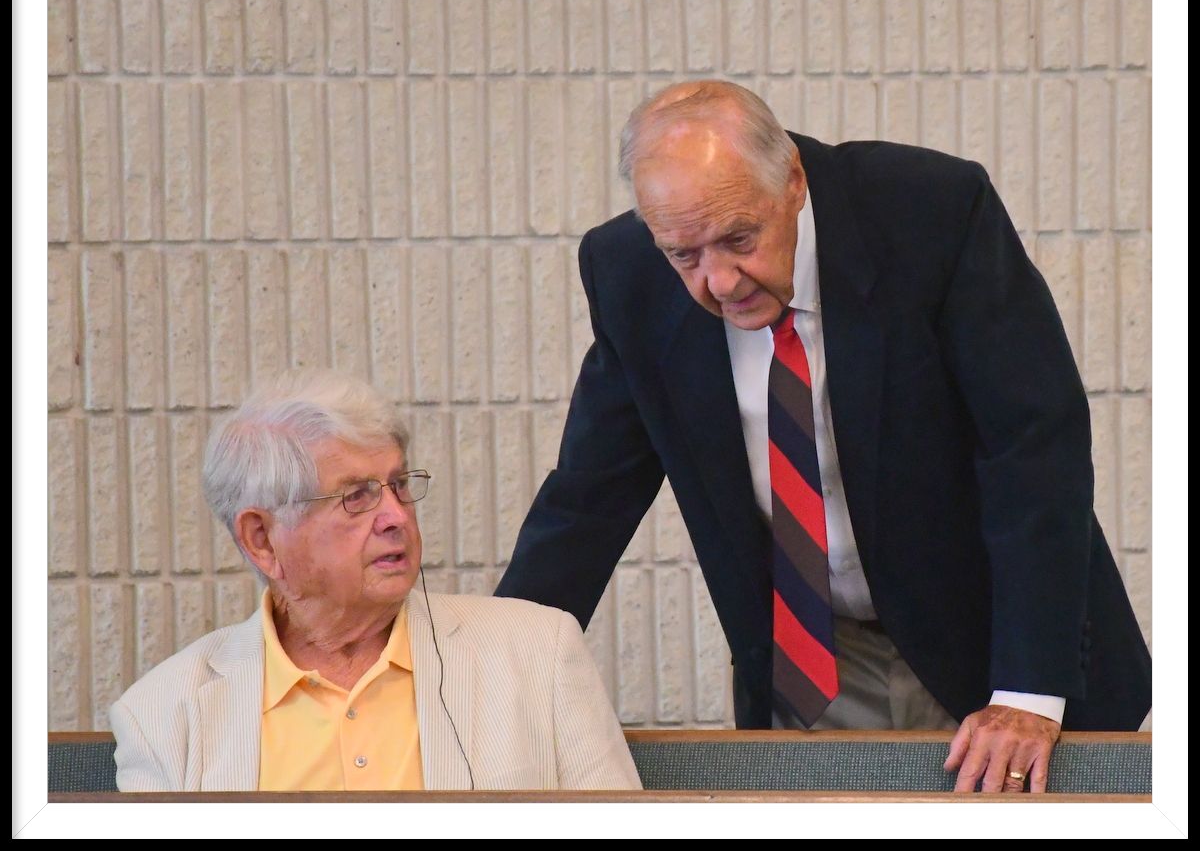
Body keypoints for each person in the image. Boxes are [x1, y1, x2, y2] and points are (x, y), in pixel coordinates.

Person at [496, 80, 1151, 793]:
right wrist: (492, 679)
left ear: (793, 181)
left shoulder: (927, 211)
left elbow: (1032, 447)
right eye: (684, 255)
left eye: (739, 240)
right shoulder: (628, 272)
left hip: (989, 631)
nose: (720, 281)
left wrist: (1027, 693)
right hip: (812, 659)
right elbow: (588, 498)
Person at [110, 369, 641, 792]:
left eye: (398, 484)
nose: (396, 516)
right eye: (356, 495)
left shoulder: (538, 653)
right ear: (262, 539)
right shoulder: (165, 716)